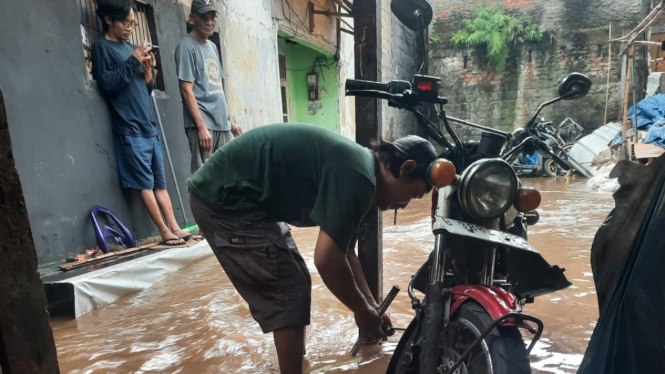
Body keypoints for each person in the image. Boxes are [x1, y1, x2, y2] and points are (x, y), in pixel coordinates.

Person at [188, 123, 438, 374]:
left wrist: (371, 306)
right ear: (406, 169)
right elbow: (327, 259)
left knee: (296, 280)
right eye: (412, 196)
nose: (403, 205)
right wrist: (361, 311)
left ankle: (296, 363)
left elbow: (346, 252)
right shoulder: (359, 178)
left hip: (249, 200)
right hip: (224, 198)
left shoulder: (362, 171)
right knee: (289, 289)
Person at [92, 0, 199, 246]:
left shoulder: (130, 48)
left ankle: (175, 227)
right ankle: (163, 231)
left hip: (148, 127)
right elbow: (107, 84)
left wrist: (148, 71)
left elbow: (145, 87)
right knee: (145, 184)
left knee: (160, 183)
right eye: (126, 23)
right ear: (109, 20)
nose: (131, 28)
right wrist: (133, 60)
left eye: (133, 23)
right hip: (129, 129)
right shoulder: (102, 48)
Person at [175, 0, 242, 174]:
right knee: (204, 178)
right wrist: (201, 127)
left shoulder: (212, 46)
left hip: (221, 124)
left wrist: (230, 121)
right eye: (204, 17)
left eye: (213, 17)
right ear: (192, 18)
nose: (210, 22)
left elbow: (217, 87)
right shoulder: (186, 47)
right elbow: (186, 90)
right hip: (204, 125)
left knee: (226, 175)